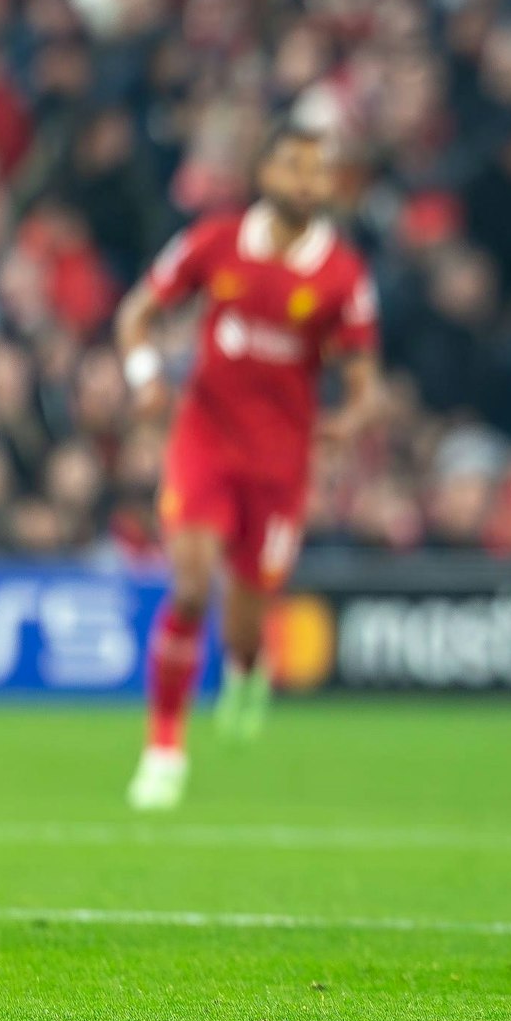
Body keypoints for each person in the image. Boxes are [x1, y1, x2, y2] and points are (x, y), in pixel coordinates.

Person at [118, 122, 383, 809]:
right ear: (264, 172)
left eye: (318, 171)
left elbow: (362, 381)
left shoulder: (342, 274)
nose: (307, 181)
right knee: (189, 587)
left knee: (242, 617)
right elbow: (136, 313)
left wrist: (346, 422)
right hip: (204, 439)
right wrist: (146, 376)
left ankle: (244, 669)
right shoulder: (215, 241)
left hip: (281, 463)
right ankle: (164, 748)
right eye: (295, 167)